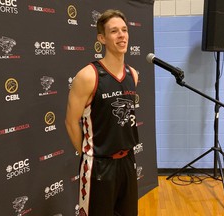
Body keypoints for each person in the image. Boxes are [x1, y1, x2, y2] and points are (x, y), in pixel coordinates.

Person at [65, 9, 139, 216]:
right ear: (102, 38)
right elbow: (71, 122)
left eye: (124, 30)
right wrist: (88, 154)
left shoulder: (133, 74)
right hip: (99, 165)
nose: (122, 35)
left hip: (128, 161)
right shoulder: (88, 76)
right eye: (114, 31)